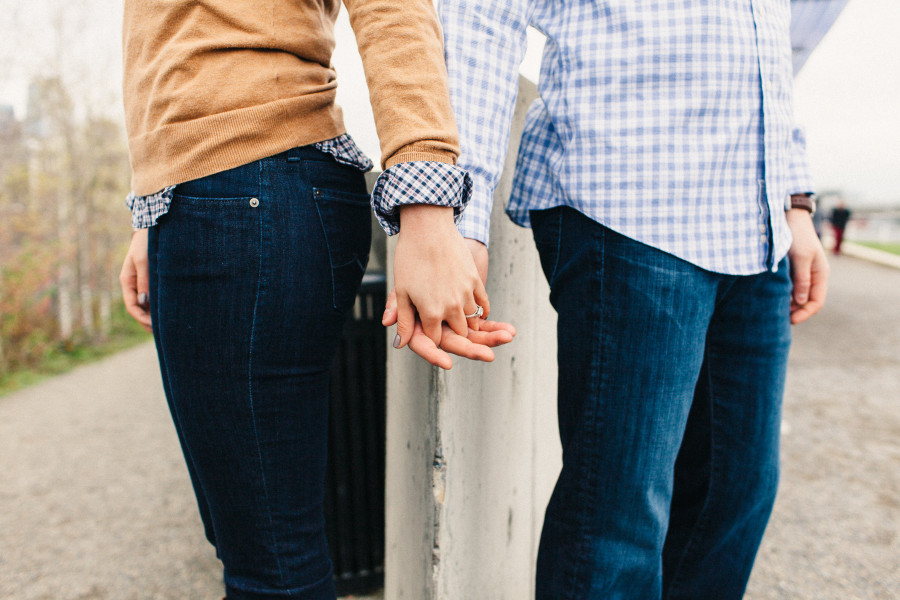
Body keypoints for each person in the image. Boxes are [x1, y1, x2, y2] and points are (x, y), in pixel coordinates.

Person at [431, 1, 830, 598]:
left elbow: (770, 51)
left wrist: (795, 200)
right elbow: (481, 16)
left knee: (737, 491)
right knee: (618, 519)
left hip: (758, 217)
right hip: (631, 201)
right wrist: (457, 213)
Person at [117, 1, 514, 598]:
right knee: (253, 541)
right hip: (217, 193)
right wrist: (152, 209)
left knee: (270, 562)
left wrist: (427, 207)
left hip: (249, 187)